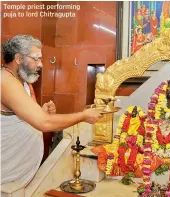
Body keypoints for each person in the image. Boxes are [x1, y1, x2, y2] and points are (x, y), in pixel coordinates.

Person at [1, 35, 102, 186]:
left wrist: (40, 111)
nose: (40, 64)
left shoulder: (21, 81)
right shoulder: (6, 82)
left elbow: (27, 117)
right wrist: (83, 116)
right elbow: (44, 123)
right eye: (36, 59)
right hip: (6, 175)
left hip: (18, 177)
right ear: (18, 58)